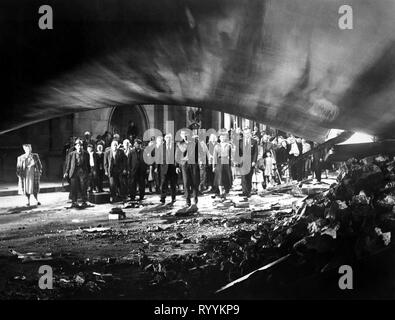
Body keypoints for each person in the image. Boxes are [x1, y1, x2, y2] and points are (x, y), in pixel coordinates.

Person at [176, 129, 200, 209]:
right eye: (183, 134)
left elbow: (198, 153)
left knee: (194, 182)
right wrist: (177, 166)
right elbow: (177, 155)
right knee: (186, 183)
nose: (185, 136)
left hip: (193, 164)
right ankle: (187, 201)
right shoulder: (180, 144)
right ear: (181, 136)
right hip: (184, 165)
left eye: (186, 134)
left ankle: (195, 199)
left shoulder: (194, 142)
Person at [63, 140, 90, 208]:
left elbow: (88, 164)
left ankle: (84, 201)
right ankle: (74, 202)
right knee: (74, 187)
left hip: (83, 172)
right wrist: (66, 172)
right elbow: (68, 164)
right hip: (74, 172)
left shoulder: (86, 154)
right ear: (75, 146)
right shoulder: (71, 154)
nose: (79, 147)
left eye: (81, 145)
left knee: (84, 187)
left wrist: (88, 173)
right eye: (78, 145)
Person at [159, 133, 178, 204]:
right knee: (163, 183)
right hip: (164, 168)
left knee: (173, 184)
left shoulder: (175, 146)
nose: (168, 140)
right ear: (165, 139)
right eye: (167, 139)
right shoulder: (161, 147)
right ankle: (162, 198)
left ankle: (173, 198)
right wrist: (157, 168)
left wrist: (177, 166)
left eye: (170, 139)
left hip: (173, 168)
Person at [213, 132, 233, 199]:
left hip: (226, 162)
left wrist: (231, 161)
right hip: (219, 162)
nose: (222, 139)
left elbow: (231, 155)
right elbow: (214, 157)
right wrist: (214, 166)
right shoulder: (216, 146)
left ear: (226, 138)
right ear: (219, 138)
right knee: (220, 177)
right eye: (221, 137)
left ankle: (225, 191)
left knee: (226, 177)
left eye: (224, 137)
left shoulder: (229, 145)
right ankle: (221, 192)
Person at [240, 128, 258, 198]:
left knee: (249, 177)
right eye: (245, 133)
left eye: (248, 133)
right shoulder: (240, 141)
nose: (247, 135)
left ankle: (248, 191)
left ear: (250, 134)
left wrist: (254, 161)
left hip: (250, 162)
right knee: (243, 177)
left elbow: (256, 152)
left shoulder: (254, 141)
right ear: (243, 134)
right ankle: (244, 192)